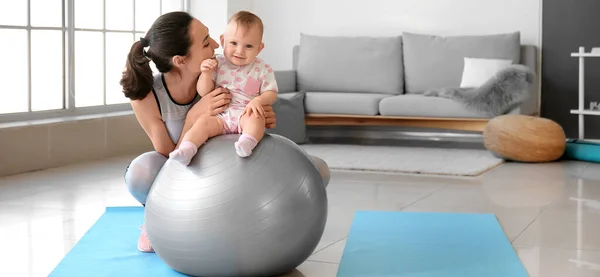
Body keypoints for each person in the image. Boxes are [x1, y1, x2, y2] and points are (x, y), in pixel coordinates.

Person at [119, 11, 330, 253]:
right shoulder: (147, 96)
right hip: (186, 171)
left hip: (233, 163)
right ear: (180, 60)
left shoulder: (225, 72)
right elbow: (167, 155)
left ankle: (263, 220)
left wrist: (264, 114)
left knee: (317, 170)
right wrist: (194, 115)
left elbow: (253, 103)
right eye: (206, 41)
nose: (218, 44)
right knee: (142, 170)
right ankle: (156, 219)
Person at [169, 11, 277, 165]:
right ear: (223, 40)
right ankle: (187, 149)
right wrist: (206, 74)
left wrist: (258, 101)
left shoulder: (262, 68)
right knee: (202, 124)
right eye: (234, 43)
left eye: (248, 46)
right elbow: (204, 92)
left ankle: (247, 142)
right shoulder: (217, 63)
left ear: (259, 48)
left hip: (246, 113)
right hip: (220, 115)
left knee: (257, 120)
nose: (240, 51)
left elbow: (271, 92)